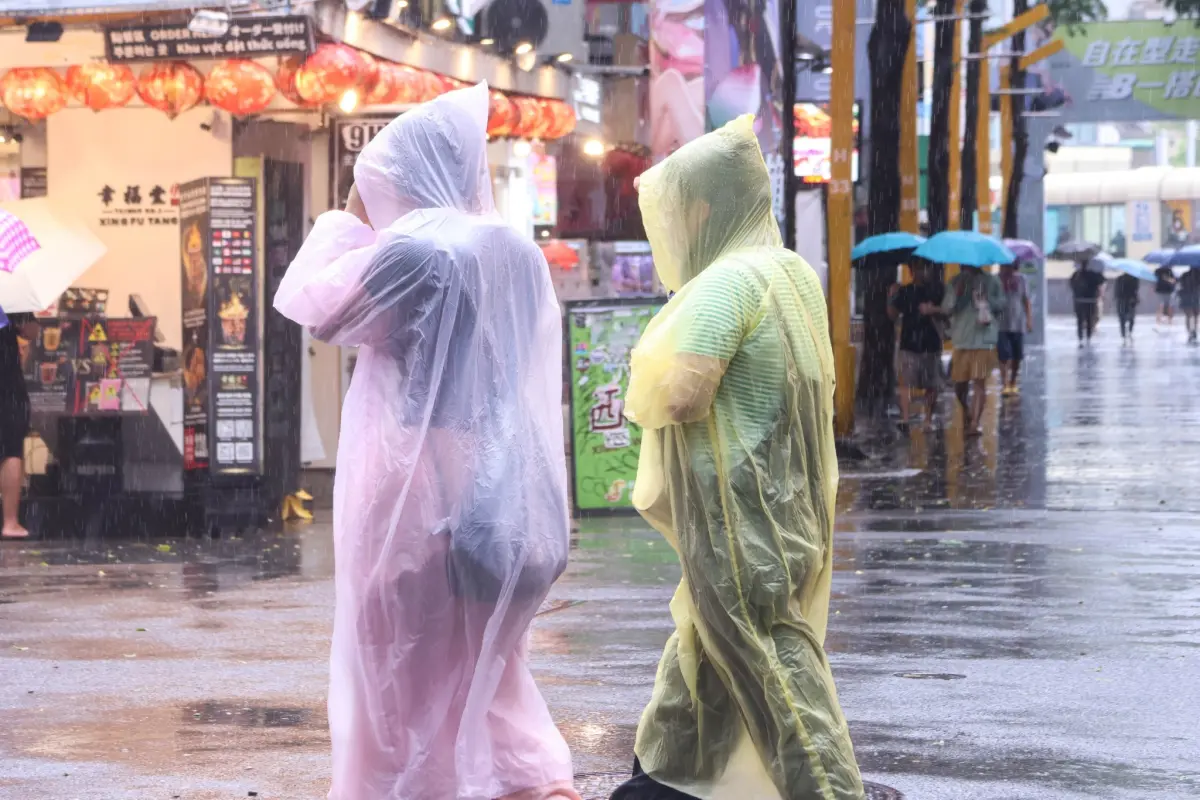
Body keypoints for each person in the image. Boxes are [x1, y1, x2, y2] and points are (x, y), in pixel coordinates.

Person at [273, 83, 579, 800]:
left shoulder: (416, 251)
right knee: (488, 660)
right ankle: (517, 779)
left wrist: (350, 217)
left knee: (400, 665)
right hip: (505, 471)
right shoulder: (514, 251)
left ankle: (416, 787)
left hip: (415, 478)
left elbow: (314, 304)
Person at [610, 116, 864, 800]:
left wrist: (644, 377)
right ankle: (664, 777)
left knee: (777, 674)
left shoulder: (726, 284)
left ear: (702, 208)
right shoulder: (789, 272)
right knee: (703, 651)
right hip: (784, 506)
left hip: (736, 518)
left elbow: (684, 393)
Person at [943, 264, 1004, 437]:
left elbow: (1001, 304)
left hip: (983, 338)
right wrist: (958, 294)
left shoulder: (992, 281)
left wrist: (987, 301)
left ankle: (975, 423)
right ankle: (968, 411)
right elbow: (947, 308)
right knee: (959, 385)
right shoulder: (955, 281)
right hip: (962, 339)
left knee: (979, 383)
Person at [889, 260, 945, 430]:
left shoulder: (937, 291)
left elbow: (947, 313)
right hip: (909, 344)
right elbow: (892, 315)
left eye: (924, 267)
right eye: (917, 268)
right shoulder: (905, 291)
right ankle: (905, 419)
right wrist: (891, 296)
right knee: (906, 383)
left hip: (931, 343)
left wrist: (933, 310)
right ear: (911, 270)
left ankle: (928, 419)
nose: (921, 271)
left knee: (932, 385)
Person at [0, 308, 37, 539]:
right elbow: (31, 330)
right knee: (11, 450)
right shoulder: (10, 289)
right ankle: (10, 522)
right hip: (7, 386)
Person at [998, 261, 1034, 395]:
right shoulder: (996, 280)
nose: (1006, 268)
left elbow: (1026, 300)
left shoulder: (1021, 279)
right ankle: (1005, 383)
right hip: (1001, 324)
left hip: (1018, 323)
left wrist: (1029, 320)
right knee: (1003, 355)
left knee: (1017, 356)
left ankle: (1013, 381)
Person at [1069, 263, 1106, 346]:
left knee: (1080, 320)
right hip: (1091, 300)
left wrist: (1076, 293)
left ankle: (1080, 337)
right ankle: (1088, 337)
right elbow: (1102, 281)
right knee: (1089, 319)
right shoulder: (1093, 274)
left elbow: (1071, 284)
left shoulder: (1076, 274)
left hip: (1079, 300)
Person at [1114, 271, 1141, 343]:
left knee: (1122, 317)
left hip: (1121, 300)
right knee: (1131, 316)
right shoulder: (1135, 279)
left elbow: (1116, 290)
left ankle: (1123, 332)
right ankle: (1130, 330)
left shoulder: (1119, 278)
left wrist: (1116, 298)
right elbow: (1136, 290)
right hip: (1131, 299)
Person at [1178, 266, 1200, 344]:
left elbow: (1180, 284)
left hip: (1186, 296)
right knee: (1196, 315)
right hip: (1196, 296)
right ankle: (1193, 330)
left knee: (1189, 315)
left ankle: (1190, 331)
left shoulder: (1184, 275)